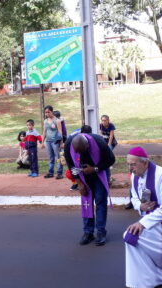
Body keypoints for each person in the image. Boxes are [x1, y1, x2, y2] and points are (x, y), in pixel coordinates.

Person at [64, 133, 115, 246]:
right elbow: (71, 165)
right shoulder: (69, 144)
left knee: (100, 201)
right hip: (82, 175)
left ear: (88, 146)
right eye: (76, 151)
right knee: (86, 202)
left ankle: (101, 232)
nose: (79, 154)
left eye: (81, 151)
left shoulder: (99, 142)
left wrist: (95, 169)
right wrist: (79, 183)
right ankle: (88, 232)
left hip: (99, 172)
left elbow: (111, 160)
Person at [123, 146, 162, 288]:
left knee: (131, 236)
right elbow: (134, 198)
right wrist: (140, 206)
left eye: (133, 164)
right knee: (131, 238)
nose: (130, 168)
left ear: (145, 163)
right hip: (149, 221)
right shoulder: (134, 176)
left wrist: (143, 223)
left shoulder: (159, 176)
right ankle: (144, 280)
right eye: (128, 164)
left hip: (157, 222)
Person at [66, 125, 93, 191]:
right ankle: (76, 183)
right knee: (70, 173)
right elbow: (69, 162)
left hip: (80, 149)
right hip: (71, 149)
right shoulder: (73, 140)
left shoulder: (90, 137)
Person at [42, 106, 64, 179]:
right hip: (48, 141)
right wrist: (42, 142)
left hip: (55, 141)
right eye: (46, 112)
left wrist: (61, 142)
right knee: (51, 158)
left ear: (52, 112)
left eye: (48, 112)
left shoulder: (57, 121)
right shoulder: (45, 121)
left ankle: (59, 173)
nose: (47, 114)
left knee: (57, 157)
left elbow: (60, 131)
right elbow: (44, 132)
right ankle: (50, 172)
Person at [99, 114, 117, 185]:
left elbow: (111, 136)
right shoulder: (100, 125)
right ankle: (107, 163)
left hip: (111, 142)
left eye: (105, 120)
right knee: (104, 154)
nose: (103, 122)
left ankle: (109, 163)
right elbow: (100, 135)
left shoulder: (111, 126)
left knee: (109, 151)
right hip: (104, 142)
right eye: (102, 120)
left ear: (108, 120)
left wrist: (108, 145)